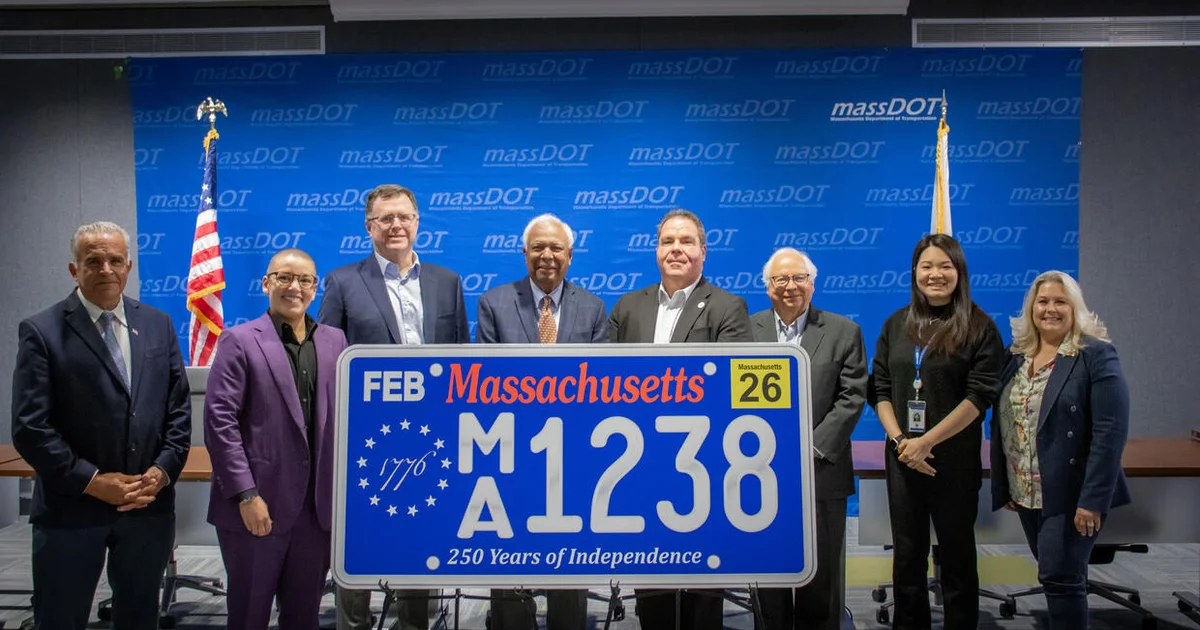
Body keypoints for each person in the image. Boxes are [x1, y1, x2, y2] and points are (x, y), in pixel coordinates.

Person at [11, 220, 191, 630]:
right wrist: (92, 482)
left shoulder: (159, 324)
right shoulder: (42, 330)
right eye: (93, 261)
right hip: (71, 509)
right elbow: (30, 427)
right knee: (61, 618)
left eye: (115, 260)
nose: (106, 269)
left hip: (146, 506)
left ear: (128, 266)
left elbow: (178, 410)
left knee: (140, 617)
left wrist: (162, 472)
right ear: (74, 270)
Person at [318, 184, 469, 630]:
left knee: (417, 534)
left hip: (430, 437)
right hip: (366, 439)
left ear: (417, 223)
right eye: (386, 218)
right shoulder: (343, 282)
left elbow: (462, 357)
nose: (396, 225)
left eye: (404, 217)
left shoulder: (447, 281)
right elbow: (328, 361)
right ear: (369, 227)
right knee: (360, 539)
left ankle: (415, 623)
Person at [608, 209, 752, 630]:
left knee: (701, 587)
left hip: (701, 463)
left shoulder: (728, 306)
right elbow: (605, 381)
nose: (676, 249)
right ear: (656, 251)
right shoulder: (628, 307)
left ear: (703, 251)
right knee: (651, 575)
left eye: (686, 241)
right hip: (639, 462)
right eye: (667, 241)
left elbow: (727, 387)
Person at [205, 249, 348, 630]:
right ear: (266, 283)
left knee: (304, 617)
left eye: (304, 280)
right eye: (284, 277)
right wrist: (246, 496)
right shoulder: (238, 340)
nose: (294, 287)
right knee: (248, 616)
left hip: (315, 513)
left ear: (315, 289)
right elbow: (220, 423)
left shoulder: (335, 341)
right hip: (256, 507)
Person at [476, 213, 606, 629]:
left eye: (555, 248)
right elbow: (485, 383)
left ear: (570, 256)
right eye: (538, 247)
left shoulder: (593, 307)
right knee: (509, 558)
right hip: (510, 454)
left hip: (573, 458)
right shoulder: (494, 303)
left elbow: (601, 386)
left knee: (569, 560)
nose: (546, 255)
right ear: (524, 253)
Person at [869, 233, 1004, 630]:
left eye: (945, 266)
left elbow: (979, 396)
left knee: (957, 556)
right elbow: (879, 389)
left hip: (953, 461)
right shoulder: (896, 324)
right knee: (907, 556)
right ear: (915, 272)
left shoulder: (980, 327)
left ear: (959, 272)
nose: (935, 274)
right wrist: (901, 441)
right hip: (903, 460)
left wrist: (925, 442)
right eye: (926, 266)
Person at [991, 271, 1130, 630]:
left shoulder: (1094, 354)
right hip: (1026, 490)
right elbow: (1005, 420)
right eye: (1043, 301)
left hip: (1071, 492)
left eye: (1060, 302)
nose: (1050, 309)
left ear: (1075, 308)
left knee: (1060, 577)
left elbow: (1110, 431)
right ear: (1031, 308)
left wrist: (1092, 500)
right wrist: (1008, 484)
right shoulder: (1016, 355)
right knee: (1056, 573)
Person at [750, 248, 866, 630]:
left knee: (822, 579)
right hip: (758, 475)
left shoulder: (844, 331)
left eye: (799, 278)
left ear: (812, 284)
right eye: (780, 279)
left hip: (822, 474)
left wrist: (810, 449)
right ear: (767, 286)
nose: (790, 286)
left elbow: (852, 397)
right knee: (769, 577)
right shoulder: (745, 331)